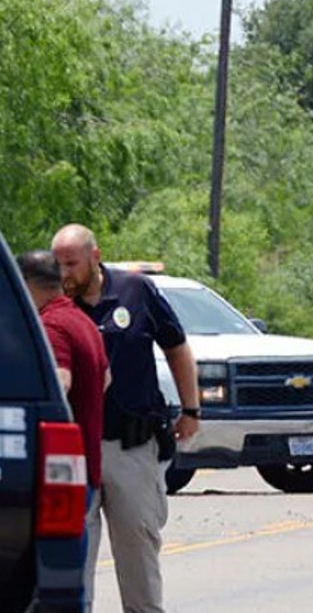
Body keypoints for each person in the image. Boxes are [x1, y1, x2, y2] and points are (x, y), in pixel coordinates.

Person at [51, 224, 200, 613]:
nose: (64, 273)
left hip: (130, 447)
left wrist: (191, 409)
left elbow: (176, 347)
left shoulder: (137, 291)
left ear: (95, 256)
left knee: (138, 548)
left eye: (71, 263)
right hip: (75, 451)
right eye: (58, 264)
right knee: (74, 554)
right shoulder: (51, 305)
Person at [18, 250, 110, 606]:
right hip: (83, 470)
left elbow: (60, 383)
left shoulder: (51, 326)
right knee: (71, 584)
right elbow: (106, 379)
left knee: (49, 589)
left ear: (27, 285)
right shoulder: (82, 321)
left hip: (58, 475)